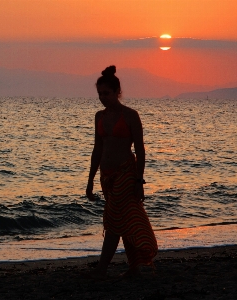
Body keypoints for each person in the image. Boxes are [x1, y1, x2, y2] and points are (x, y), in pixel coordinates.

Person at [86, 65, 158, 279]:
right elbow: (97, 149)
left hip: (126, 172)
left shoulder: (130, 116)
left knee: (114, 221)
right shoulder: (99, 116)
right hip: (106, 177)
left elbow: (141, 150)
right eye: (99, 94)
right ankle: (134, 267)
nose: (102, 98)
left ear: (117, 92)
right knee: (123, 219)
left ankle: (101, 269)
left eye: (106, 93)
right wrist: (90, 180)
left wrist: (139, 180)